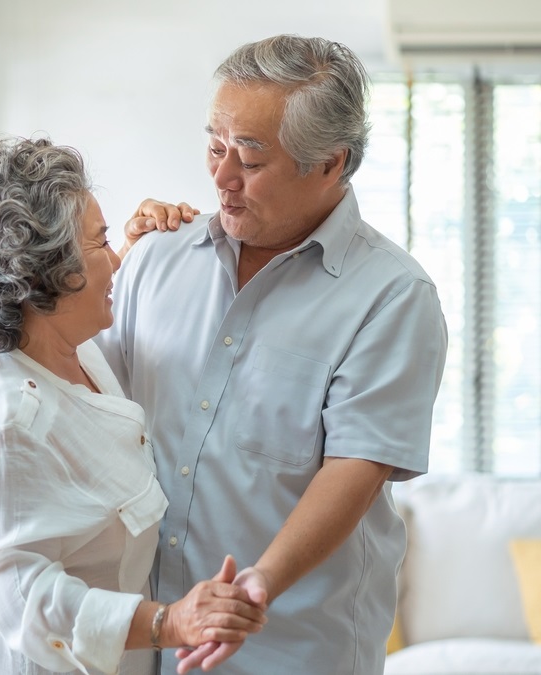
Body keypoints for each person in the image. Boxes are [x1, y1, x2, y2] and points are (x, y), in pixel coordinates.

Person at [96, 35, 448, 674]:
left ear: (330, 164)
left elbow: (355, 470)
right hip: (147, 641)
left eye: (251, 161)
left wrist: (259, 584)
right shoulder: (155, 257)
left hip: (291, 649)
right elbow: (84, 394)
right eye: (214, 147)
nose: (221, 177)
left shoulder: (392, 297)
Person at [0, 136, 266, 675]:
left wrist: (132, 246)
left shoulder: (69, 351)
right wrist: (169, 623)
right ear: (42, 274)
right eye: (99, 242)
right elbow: (25, 600)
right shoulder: (1, 419)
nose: (116, 260)